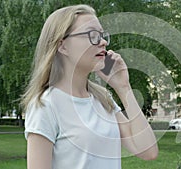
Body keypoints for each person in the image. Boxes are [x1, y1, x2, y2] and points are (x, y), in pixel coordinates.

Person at [21, 4, 158, 169]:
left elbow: (148, 151)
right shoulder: (45, 105)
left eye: (102, 35)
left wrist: (123, 88)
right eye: (92, 35)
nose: (103, 42)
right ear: (62, 46)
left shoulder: (103, 99)